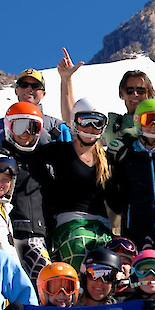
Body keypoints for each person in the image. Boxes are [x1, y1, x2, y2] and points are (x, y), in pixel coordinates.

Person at [43, 96, 114, 271]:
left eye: (97, 122)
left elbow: (117, 200)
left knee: (112, 260)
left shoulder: (106, 159)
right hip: (70, 222)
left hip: (101, 225)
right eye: (85, 121)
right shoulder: (59, 151)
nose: (91, 128)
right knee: (79, 252)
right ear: (75, 122)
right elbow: (27, 154)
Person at [0, 102, 54, 284]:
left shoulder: (44, 159)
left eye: (33, 127)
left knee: (44, 288)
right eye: (19, 126)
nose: (26, 133)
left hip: (44, 233)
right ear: (8, 127)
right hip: (13, 236)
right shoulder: (0, 161)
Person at [105, 99, 155, 247]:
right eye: (148, 120)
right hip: (134, 229)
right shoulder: (125, 152)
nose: (154, 127)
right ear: (138, 121)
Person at [0, 69, 71, 147]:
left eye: (35, 86)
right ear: (16, 91)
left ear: (43, 94)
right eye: (24, 85)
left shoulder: (58, 128)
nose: (29, 89)